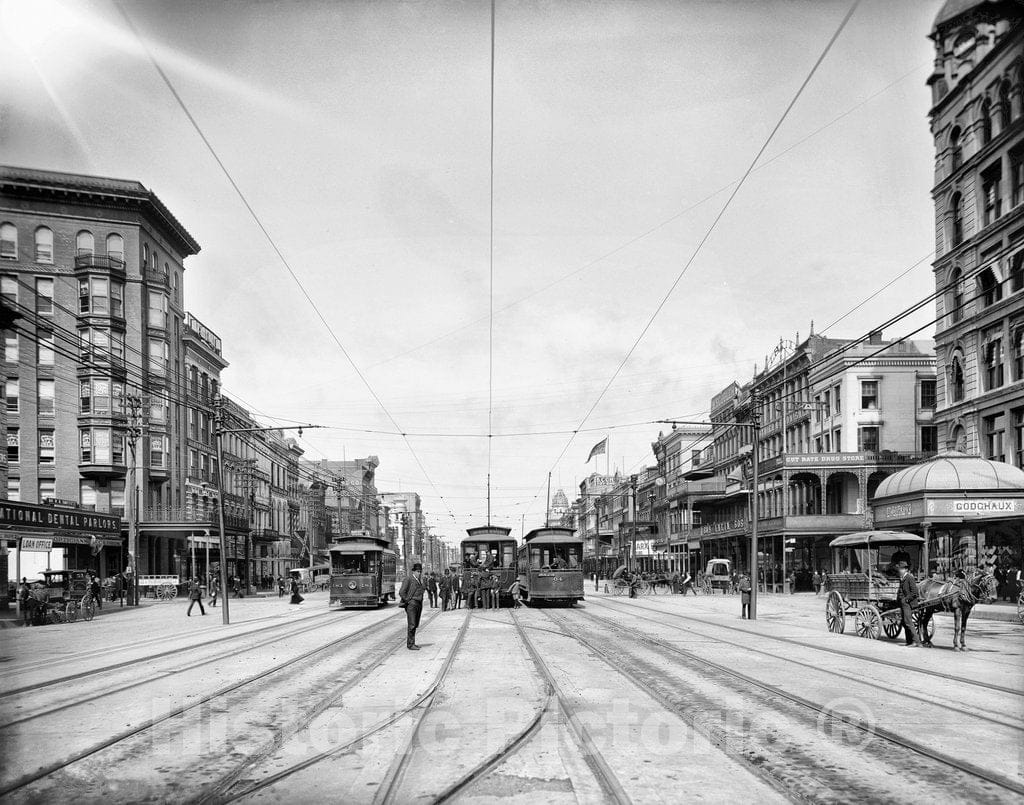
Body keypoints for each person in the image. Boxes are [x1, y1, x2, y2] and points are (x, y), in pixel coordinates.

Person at [399, 562, 426, 650]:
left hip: (418, 604)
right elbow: (402, 592)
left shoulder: (419, 580)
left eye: (420, 571)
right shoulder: (408, 579)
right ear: (413, 571)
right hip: (412, 604)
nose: (419, 573)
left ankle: (412, 643)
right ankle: (410, 644)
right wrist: (408, 600)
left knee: (415, 624)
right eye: (418, 571)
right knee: (412, 624)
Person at [896, 562, 923, 647]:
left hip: (908, 603)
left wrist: (905, 600)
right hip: (903, 604)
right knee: (904, 622)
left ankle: (916, 642)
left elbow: (915, 593)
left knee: (908, 622)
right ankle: (909, 641)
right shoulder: (903, 578)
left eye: (901, 569)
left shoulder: (909, 578)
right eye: (899, 569)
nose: (900, 570)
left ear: (906, 569)